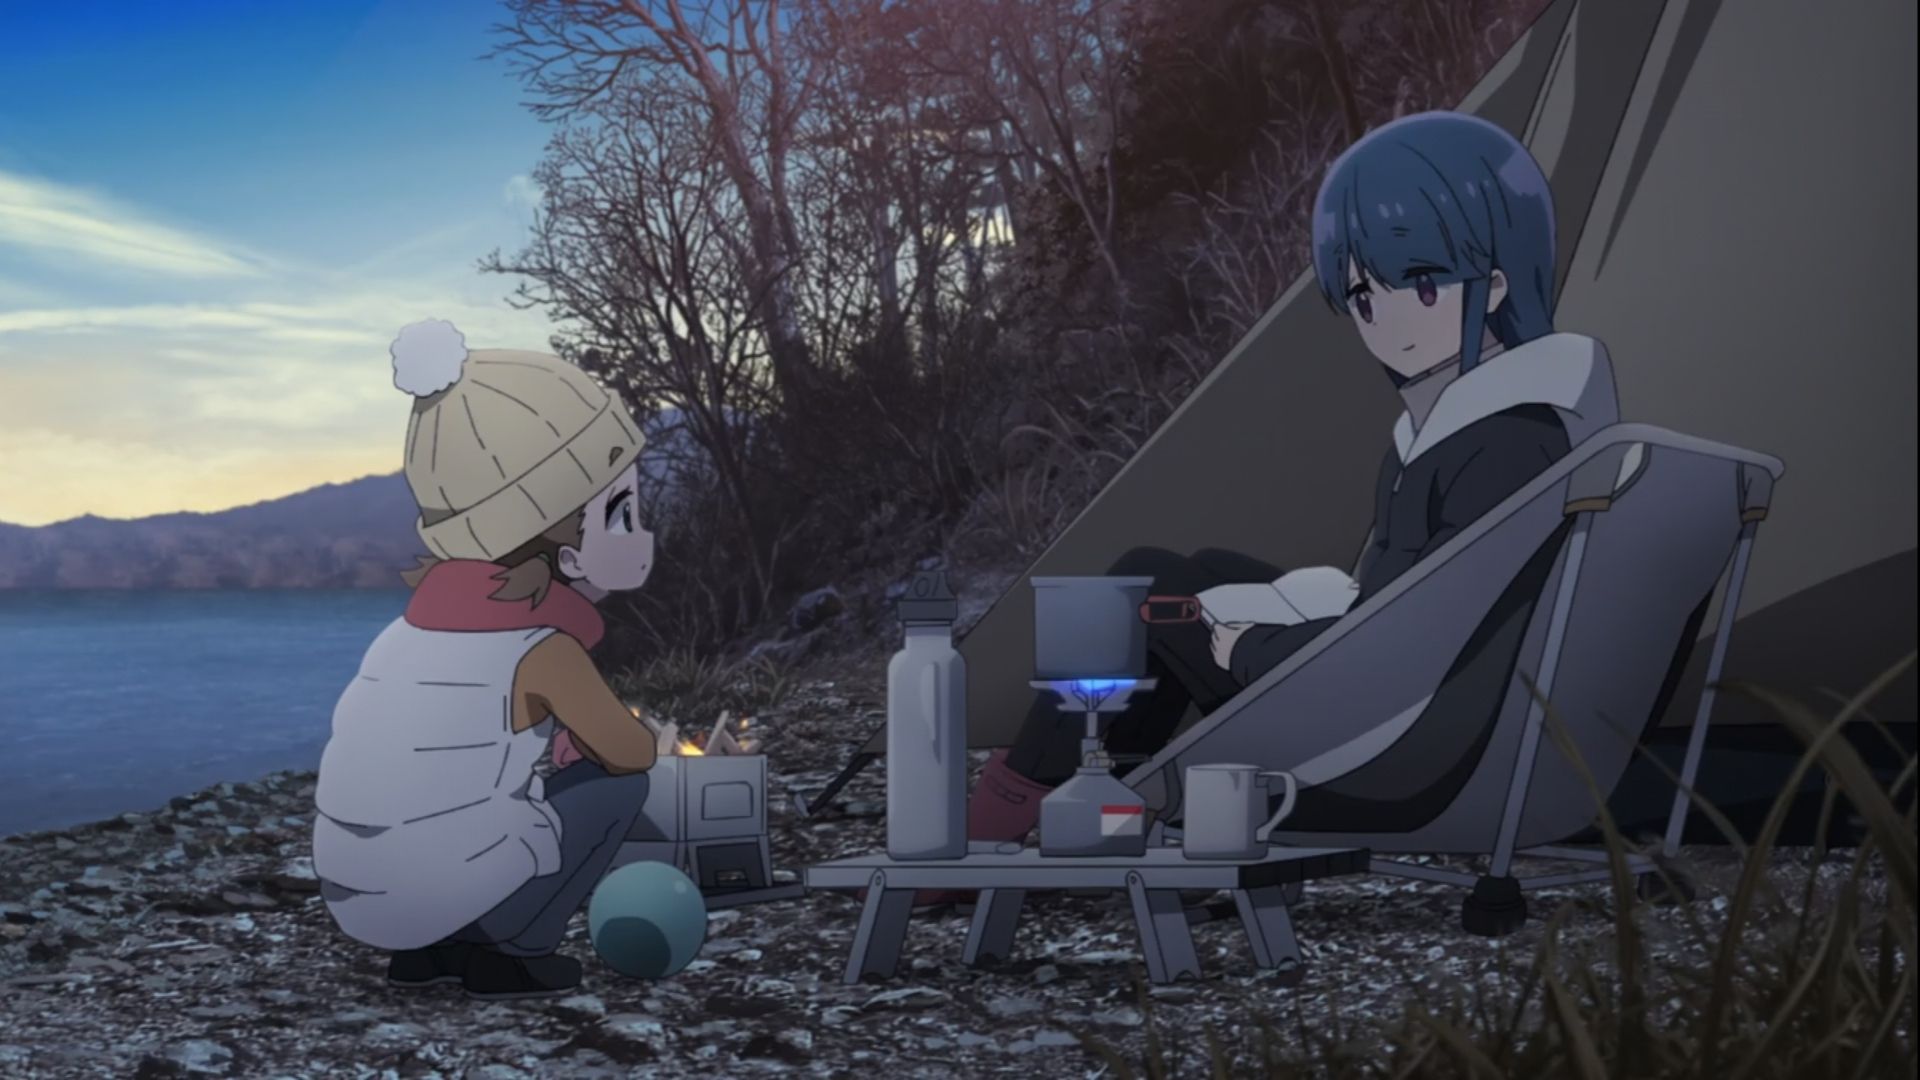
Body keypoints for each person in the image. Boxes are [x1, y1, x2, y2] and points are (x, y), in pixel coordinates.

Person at [936, 111, 1612, 899]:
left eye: (1420, 283)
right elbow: (1425, 602)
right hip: (1406, 694)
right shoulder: (1496, 426)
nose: (1385, 318)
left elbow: (1420, 643)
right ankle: (1098, 801)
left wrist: (1251, 648)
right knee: (1191, 574)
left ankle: (1008, 816)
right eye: (1363, 295)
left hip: (1400, 741)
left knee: (1150, 592)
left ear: (1493, 284)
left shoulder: (1501, 445)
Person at [311, 319, 662, 1000]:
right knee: (618, 787)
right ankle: (513, 952)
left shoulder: (406, 634)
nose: (639, 531)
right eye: (621, 513)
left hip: (362, 900)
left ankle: (429, 953)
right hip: (433, 890)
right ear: (564, 549)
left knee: (472, 807)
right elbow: (632, 751)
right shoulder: (543, 648)